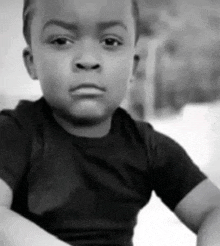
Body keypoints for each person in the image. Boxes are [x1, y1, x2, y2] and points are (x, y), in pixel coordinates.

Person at [0, 0, 220, 245]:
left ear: (132, 66)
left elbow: (213, 209)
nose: (88, 60)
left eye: (110, 42)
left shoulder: (147, 147)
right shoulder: (14, 133)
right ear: (32, 63)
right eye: (61, 41)